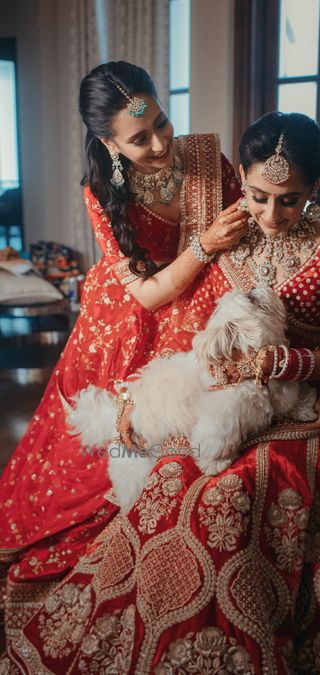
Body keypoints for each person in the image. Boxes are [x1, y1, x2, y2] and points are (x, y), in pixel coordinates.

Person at [3, 112, 320, 674]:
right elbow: (191, 321)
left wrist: (285, 361)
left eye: (289, 200)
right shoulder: (229, 237)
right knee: (170, 477)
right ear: (241, 175)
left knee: (234, 491)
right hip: (228, 390)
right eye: (259, 195)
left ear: (313, 187)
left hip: (309, 399)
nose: (271, 214)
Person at [0, 61, 246, 644]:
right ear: (109, 143)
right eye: (140, 138)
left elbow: (254, 239)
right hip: (129, 319)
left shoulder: (209, 160)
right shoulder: (100, 191)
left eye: (162, 121)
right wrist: (204, 245)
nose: (161, 143)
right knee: (102, 461)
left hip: (200, 304)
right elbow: (151, 290)